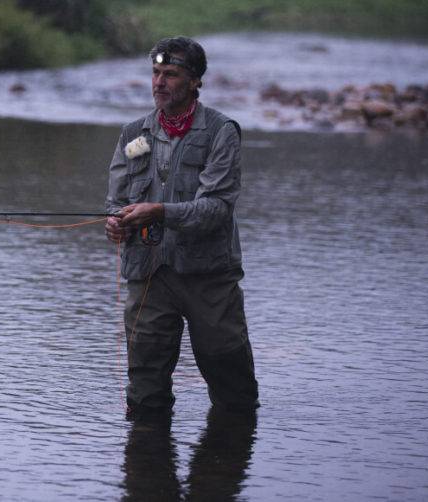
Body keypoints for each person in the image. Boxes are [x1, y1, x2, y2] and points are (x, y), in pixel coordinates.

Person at [104, 36, 259, 417]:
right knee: (144, 399)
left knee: (234, 393)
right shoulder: (134, 136)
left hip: (208, 276)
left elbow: (217, 209)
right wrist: (115, 223)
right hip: (149, 276)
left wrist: (160, 211)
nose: (159, 82)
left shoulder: (222, 132)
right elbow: (117, 200)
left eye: (170, 74)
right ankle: (146, 472)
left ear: (194, 81)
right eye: (155, 73)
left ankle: (226, 468)